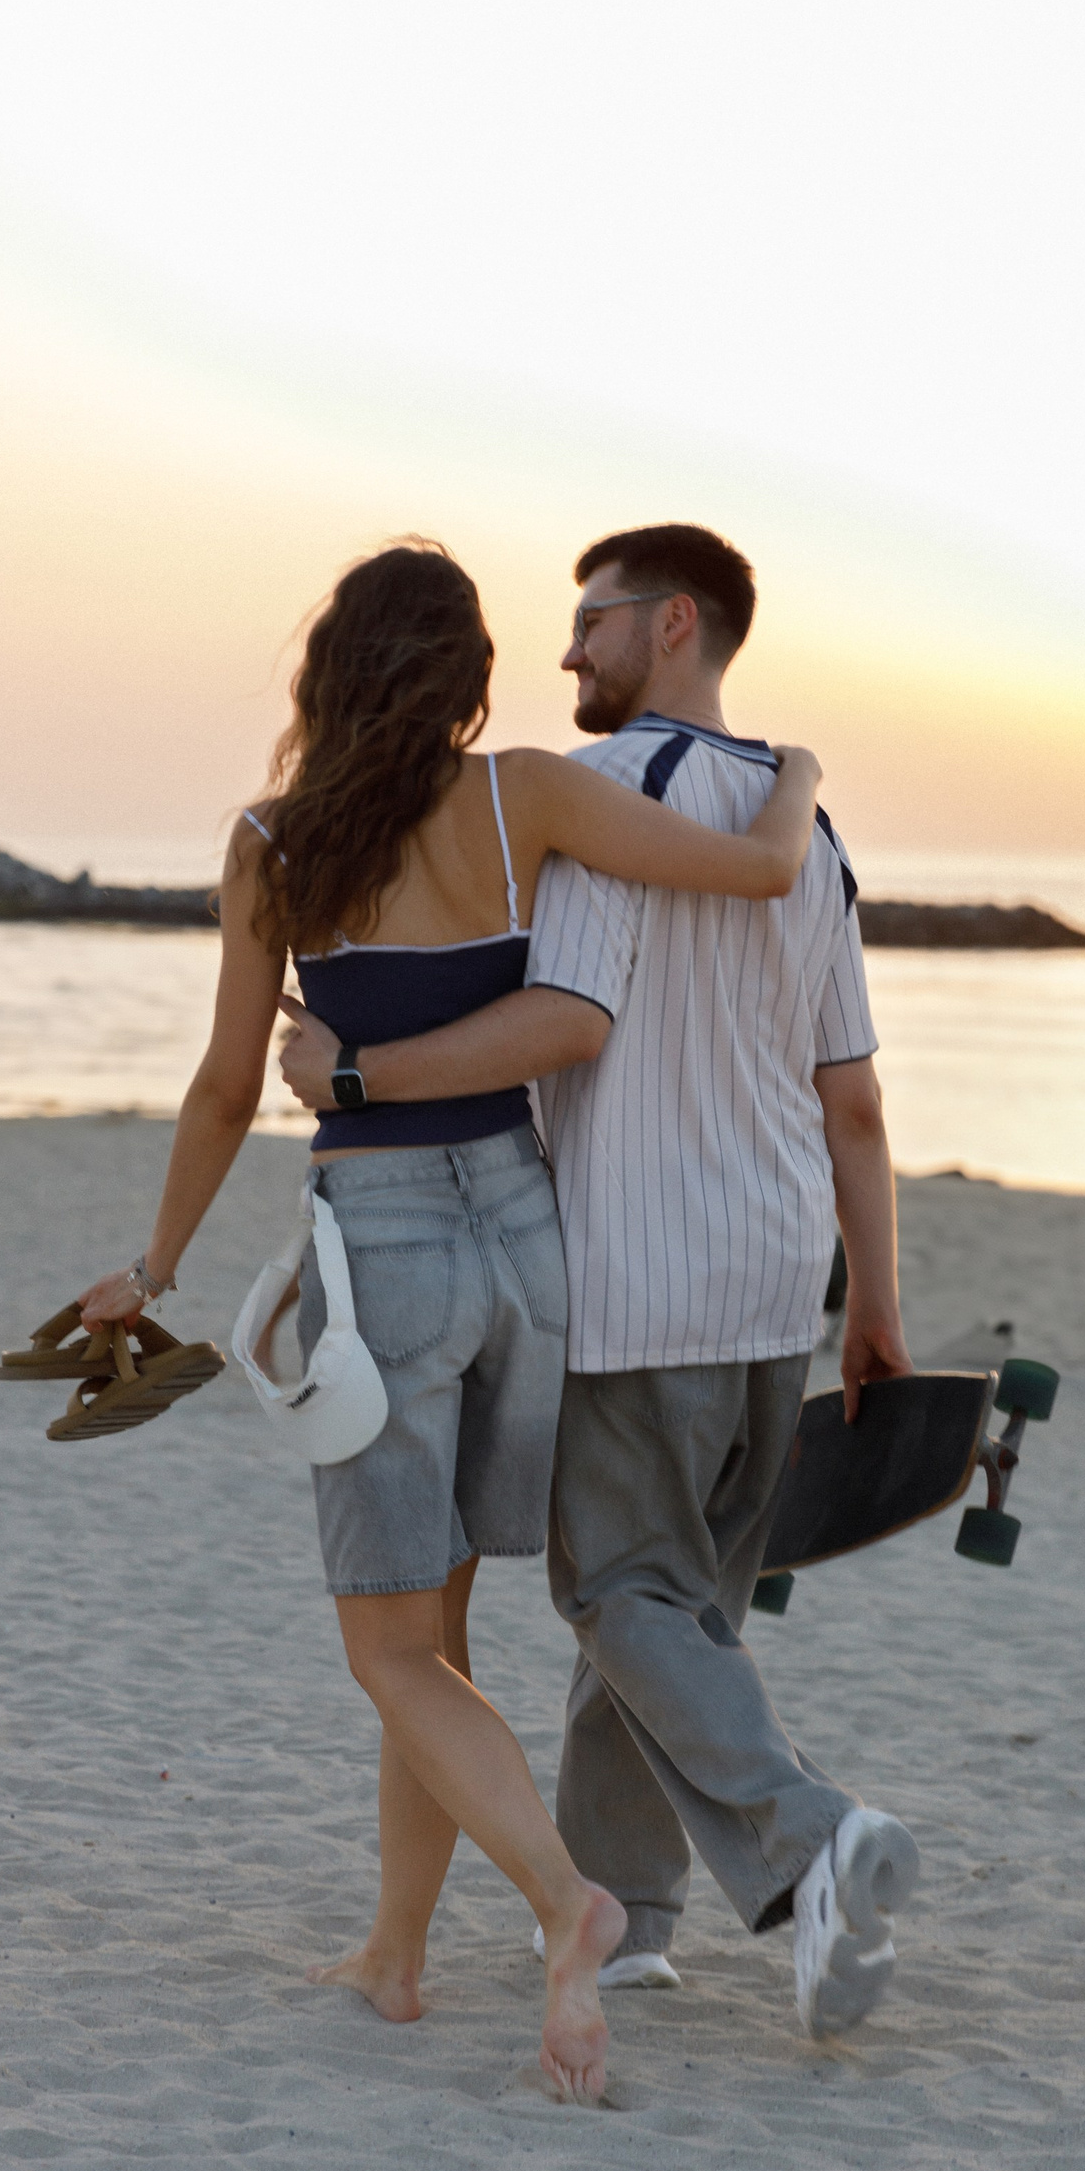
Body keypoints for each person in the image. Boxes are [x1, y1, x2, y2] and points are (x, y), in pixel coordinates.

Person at [79, 540, 822, 2101]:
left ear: (329, 674)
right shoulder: (523, 799)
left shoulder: (274, 844)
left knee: (389, 1648)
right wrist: (799, 772)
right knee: (439, 1630)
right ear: (464, 675)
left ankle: (567, 1903)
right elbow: (763, 871)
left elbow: (228, 1083)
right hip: (528, 1242)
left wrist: (152, 1268)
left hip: (393, 1250)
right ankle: (397, 1953)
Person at [280, 524, 921, 2041]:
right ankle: (634, 1922)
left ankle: (812, 1843)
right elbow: (855, 1100)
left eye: (593, 620)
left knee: (623, 1594)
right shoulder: (808, 826)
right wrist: (877, 1306)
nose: (566, 651)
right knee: (684, 1605)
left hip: (637, 1273)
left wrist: (355, 1076)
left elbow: (565, 1015)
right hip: (778, 1276)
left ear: (674, 622)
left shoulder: (589, 806)